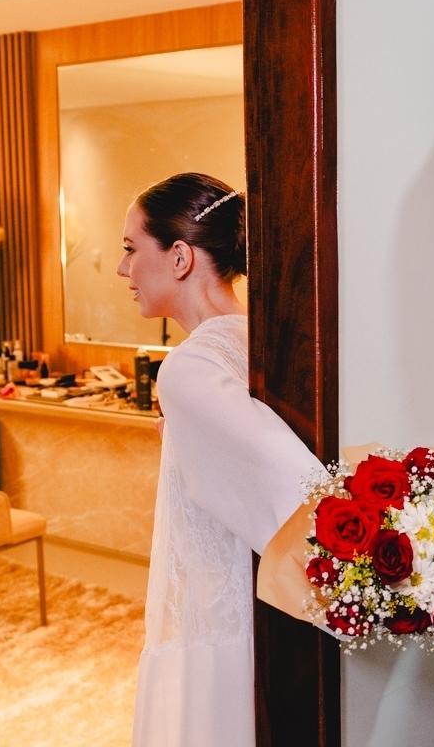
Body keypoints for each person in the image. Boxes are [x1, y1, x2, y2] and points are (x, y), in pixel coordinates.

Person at [122, 173, 323, 747]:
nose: (122, 269)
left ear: (179, 257)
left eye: (131, 249)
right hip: (266, 619)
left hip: (220, 622)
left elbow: (295, 491)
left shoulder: (189, 367)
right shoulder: (261, 340)